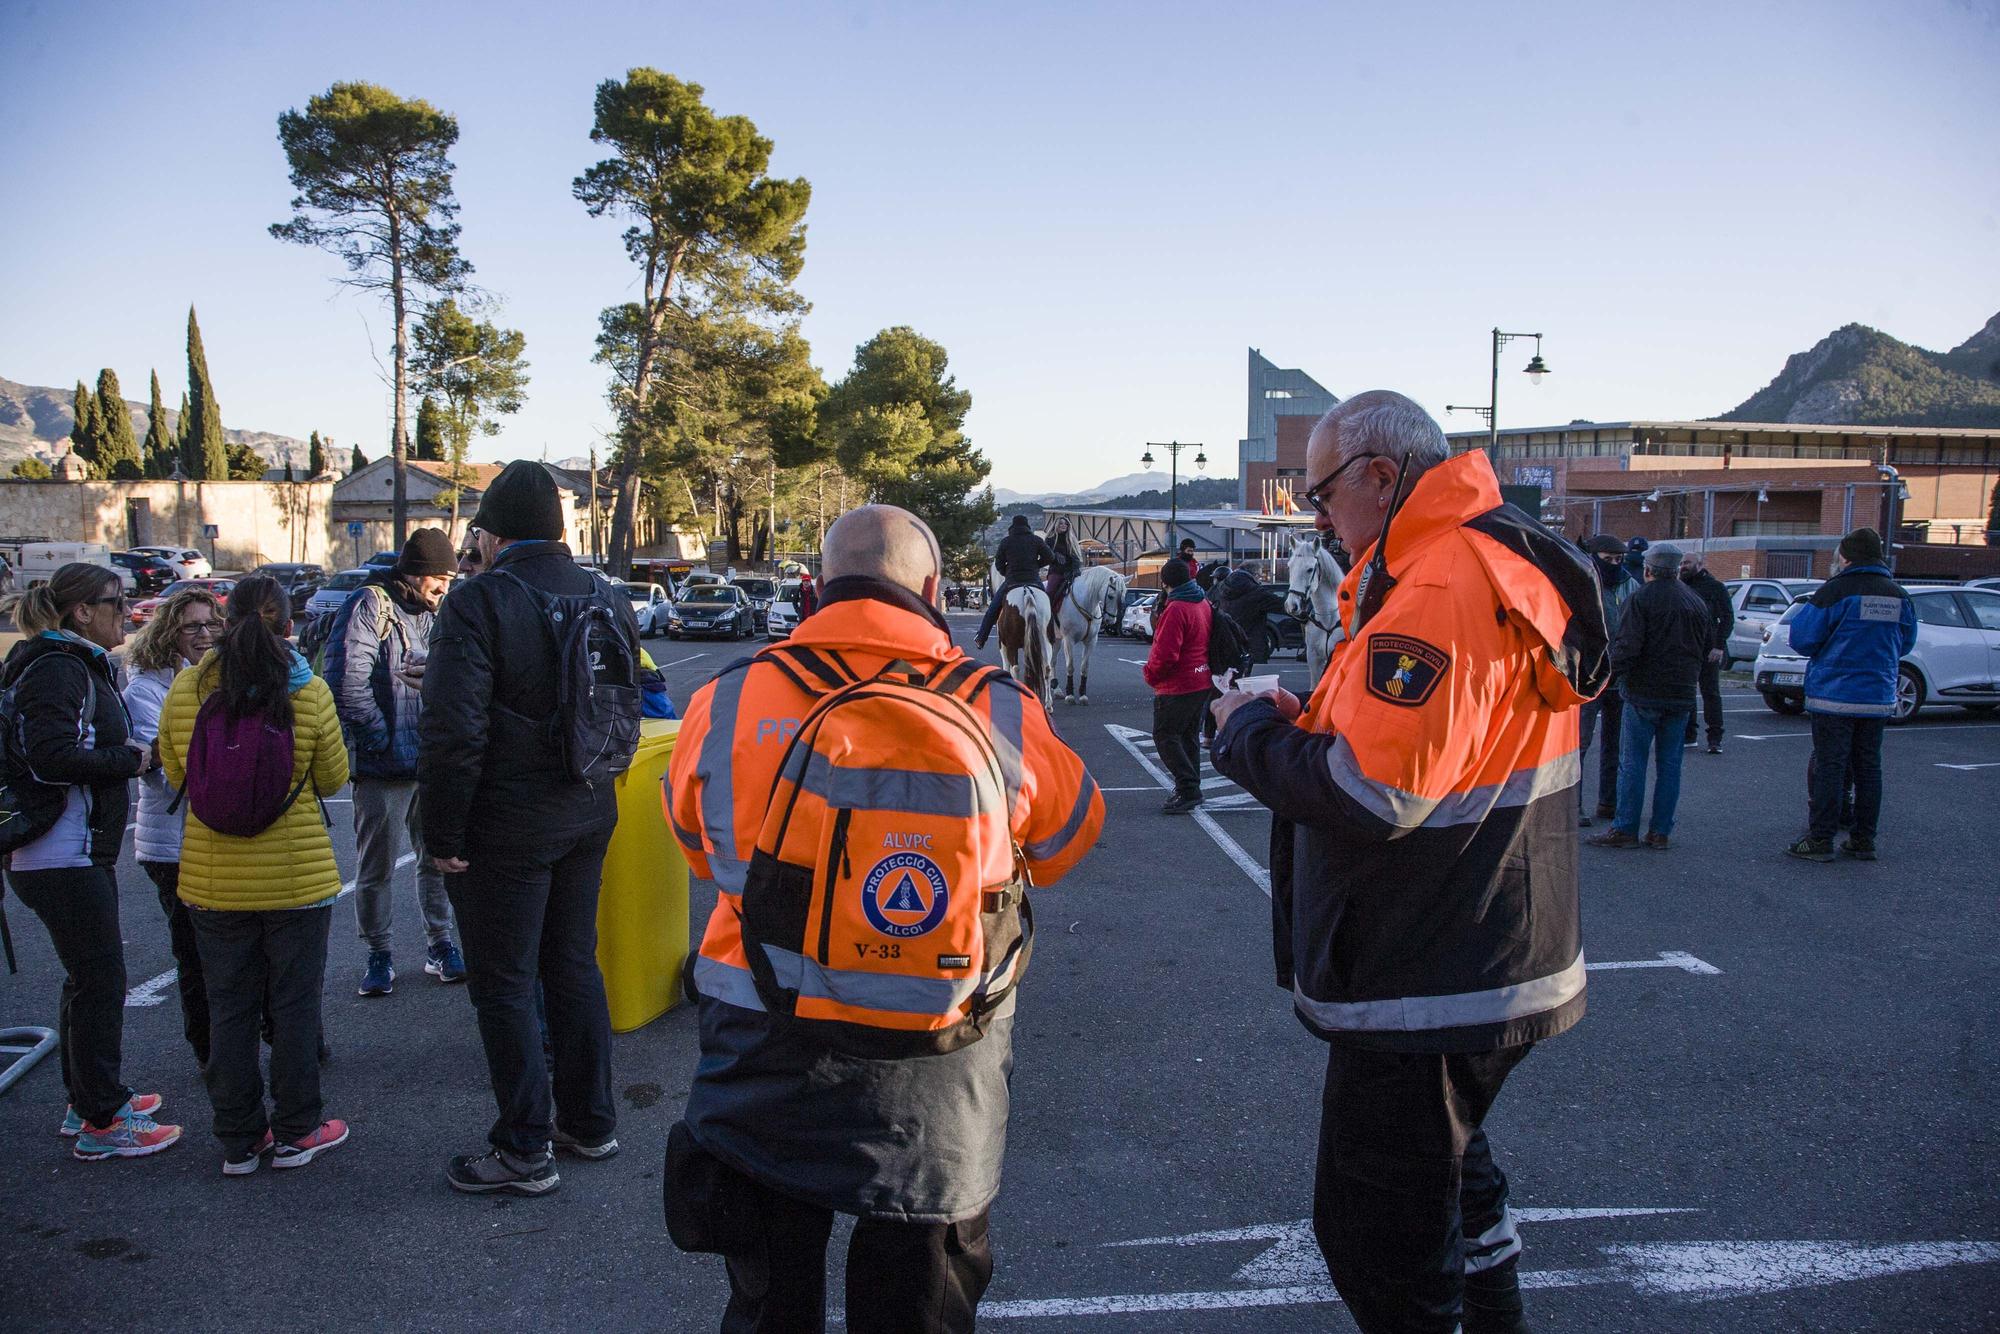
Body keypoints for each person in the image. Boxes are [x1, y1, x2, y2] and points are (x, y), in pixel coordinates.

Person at [1209, 392, 1606, 1334]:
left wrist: (1246, 730)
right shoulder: (1473, 556)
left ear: (1381, 478)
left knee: (1379, 1238)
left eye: (1320, 496)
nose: (1316, 517)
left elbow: (1372, 794)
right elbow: (1427, 744)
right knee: (1458, 1186)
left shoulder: (1437, 584)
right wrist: (1304, 708)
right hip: (1484, 950)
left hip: (1429, 968)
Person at [664, 504, 1104, 1333]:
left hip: (765, 1033)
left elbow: (698, 846)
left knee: (768, 1297)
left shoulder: (727, 698)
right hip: (940, 1047)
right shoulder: (998, 705)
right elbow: (1072, 836)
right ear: (935, 590)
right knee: (920, 1300)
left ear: (820, 586)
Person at [419, 460, 640, 1195]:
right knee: (573, 966)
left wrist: (443, 834)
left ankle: (523, 1148)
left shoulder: (478, 603)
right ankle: (590, 1121)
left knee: (505, 985)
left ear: (491, 530)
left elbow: (453, 732)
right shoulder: (606, 595)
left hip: (506, 821)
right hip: (588, 804)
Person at [159, 574, 351, 1174]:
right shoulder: (308, 690)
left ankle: (239, 1139)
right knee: (294, 1007)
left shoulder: (189, 689)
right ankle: (298, 1129)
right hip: (297, 879)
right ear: (287, 624)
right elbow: (333, 780)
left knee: (230, 1008)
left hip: (212, 883)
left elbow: (177, 777)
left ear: (225, 619)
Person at [1, 563, 179, 1161]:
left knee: (88, 978)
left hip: (70, 849)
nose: (127, 610)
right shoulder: (58, 666)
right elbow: (50, 757)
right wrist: (129, 759)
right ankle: (103, 1120)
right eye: (116, 600)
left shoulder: (69, 662)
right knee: (101, 980)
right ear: (82, 611)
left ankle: (89, 1101)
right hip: (60, 851)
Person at [325, 528, 463, 997]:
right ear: (416, 573)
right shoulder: (370, 605)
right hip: (383, 768)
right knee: (376, 866)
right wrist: (380, 739)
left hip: (432, 763)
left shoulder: (438, 612)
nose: (444, 587)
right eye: (438, 578)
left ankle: (440, 945)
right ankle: (379, 953)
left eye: (449, 578)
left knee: (436, 859)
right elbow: (346, 681)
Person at [121, 585, 224, 1068]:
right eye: (192, 627)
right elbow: (165, 771)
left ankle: (238, 1042)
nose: (204, 634)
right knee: (194, 957)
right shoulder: (145, 689)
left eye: (211, 624)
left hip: (214, 838)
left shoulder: (210, 676)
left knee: (231, 953)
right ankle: (207, 1052)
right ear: (168, 633)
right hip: (172, 845)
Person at [1784, 528, 1916, 862]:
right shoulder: (1897, 594)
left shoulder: (1834, 591)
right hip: (1877, 695)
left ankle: (1820, 839)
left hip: (1834, 694)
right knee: (1869, 768)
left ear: (1847, 556)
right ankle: (1863, 839)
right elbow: (1906, 641)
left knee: (1831, 766)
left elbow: (1802, 638)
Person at [1588, 543, 1710, 851]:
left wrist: (1605, 677)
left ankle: (1626, 827)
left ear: (1648, 569)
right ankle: (1660, 831)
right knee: (1670, 765)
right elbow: (1704, 646)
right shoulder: (1695, 601)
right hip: (1681, 693)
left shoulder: (1640, 599)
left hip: (1644, 691)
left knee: (1634, 762)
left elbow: (1628, 647)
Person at [1144, 556, 1214, 815]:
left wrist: (1150, 674)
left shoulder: (1176, 609)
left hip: (1178, 685)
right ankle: (1191, 786)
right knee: (1187, 737)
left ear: (1165, 582)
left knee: (1165, 736)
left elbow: (1165, 654)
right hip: (1201, 678)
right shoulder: (1203, 601)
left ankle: (1188, 788)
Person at [1576, 535, 1633, 826]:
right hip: (1588, 676)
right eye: (1608, 559)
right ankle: (1575, 806)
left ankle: (1608, 803)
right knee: (1579, 744)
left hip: (1618, 676)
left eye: (1618, 559)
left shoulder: (1629, 585)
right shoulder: (1583, 582)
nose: (1614, 565)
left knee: (1615, 744)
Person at [972, 514, 1058, 650]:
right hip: (1033, 579)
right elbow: (1050, 556)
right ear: (1027, 526)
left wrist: (1007, 571)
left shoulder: (1006, 541)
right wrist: (1036, 565)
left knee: (993, 609)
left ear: (1012, 526)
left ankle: (981, 637)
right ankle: (1051, 635)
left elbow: (999, 563)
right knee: (1047, 604)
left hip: (1012, 580)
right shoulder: (1036, 540)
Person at [1679, 550, 1735, 753]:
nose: (1683, 566)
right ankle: (1688, 734)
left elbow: (1727, 618)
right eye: (1682, 562)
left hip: (1708, 648)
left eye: (1688, 562)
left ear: (1700, 564)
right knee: (1687, 692)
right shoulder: (1681, 586)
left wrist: (1719, 646)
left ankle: (1715, 737)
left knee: (1710, 693)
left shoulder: (1715, 587)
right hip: (1686, 648)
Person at [1217, 567, 1287, 665]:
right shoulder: (1256, 593)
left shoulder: (1221, 589)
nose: (1260, 580)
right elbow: (1284, 606)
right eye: (1259, 576)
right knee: (1254, 677)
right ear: (1254, 575)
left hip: (1227, 644)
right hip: (1252, 647)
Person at [1045, 516, 1083, 625]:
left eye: (1066, 524)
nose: (1063, 525)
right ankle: (1047, 616)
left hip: (1071, 572)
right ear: (1056, 525)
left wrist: (1075, 570)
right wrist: (1054, 555)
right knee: (1050, 592)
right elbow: (1046, 556)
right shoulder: (1050, 540)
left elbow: (1076, 558)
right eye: (1061, 523)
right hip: (1056, 572)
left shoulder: (1071, 540)